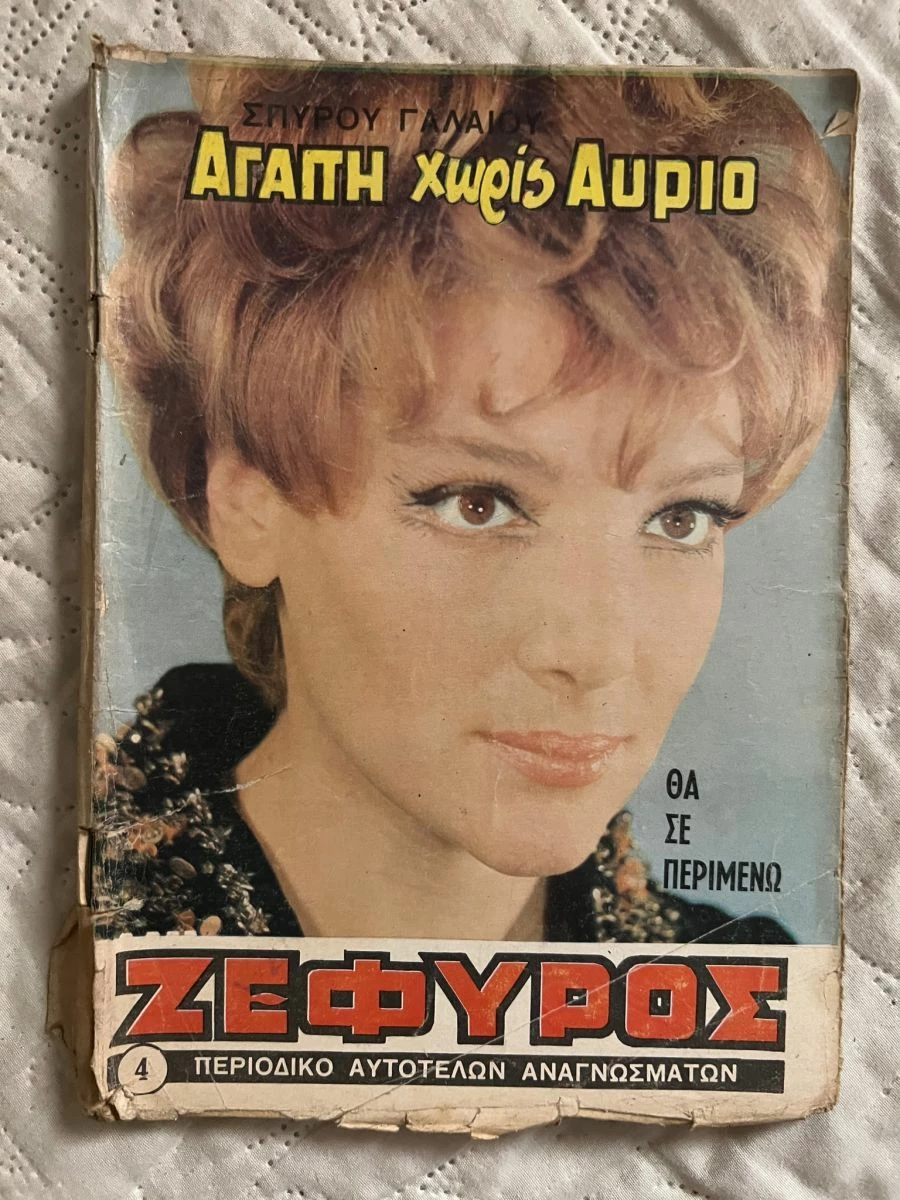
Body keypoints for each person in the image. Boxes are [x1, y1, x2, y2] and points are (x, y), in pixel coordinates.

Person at [92, 67, 846, 945]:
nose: (596, 657)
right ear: (246, 500)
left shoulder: (743, 978)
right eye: (479, 505)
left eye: (680, 518)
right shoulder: (63, 927)